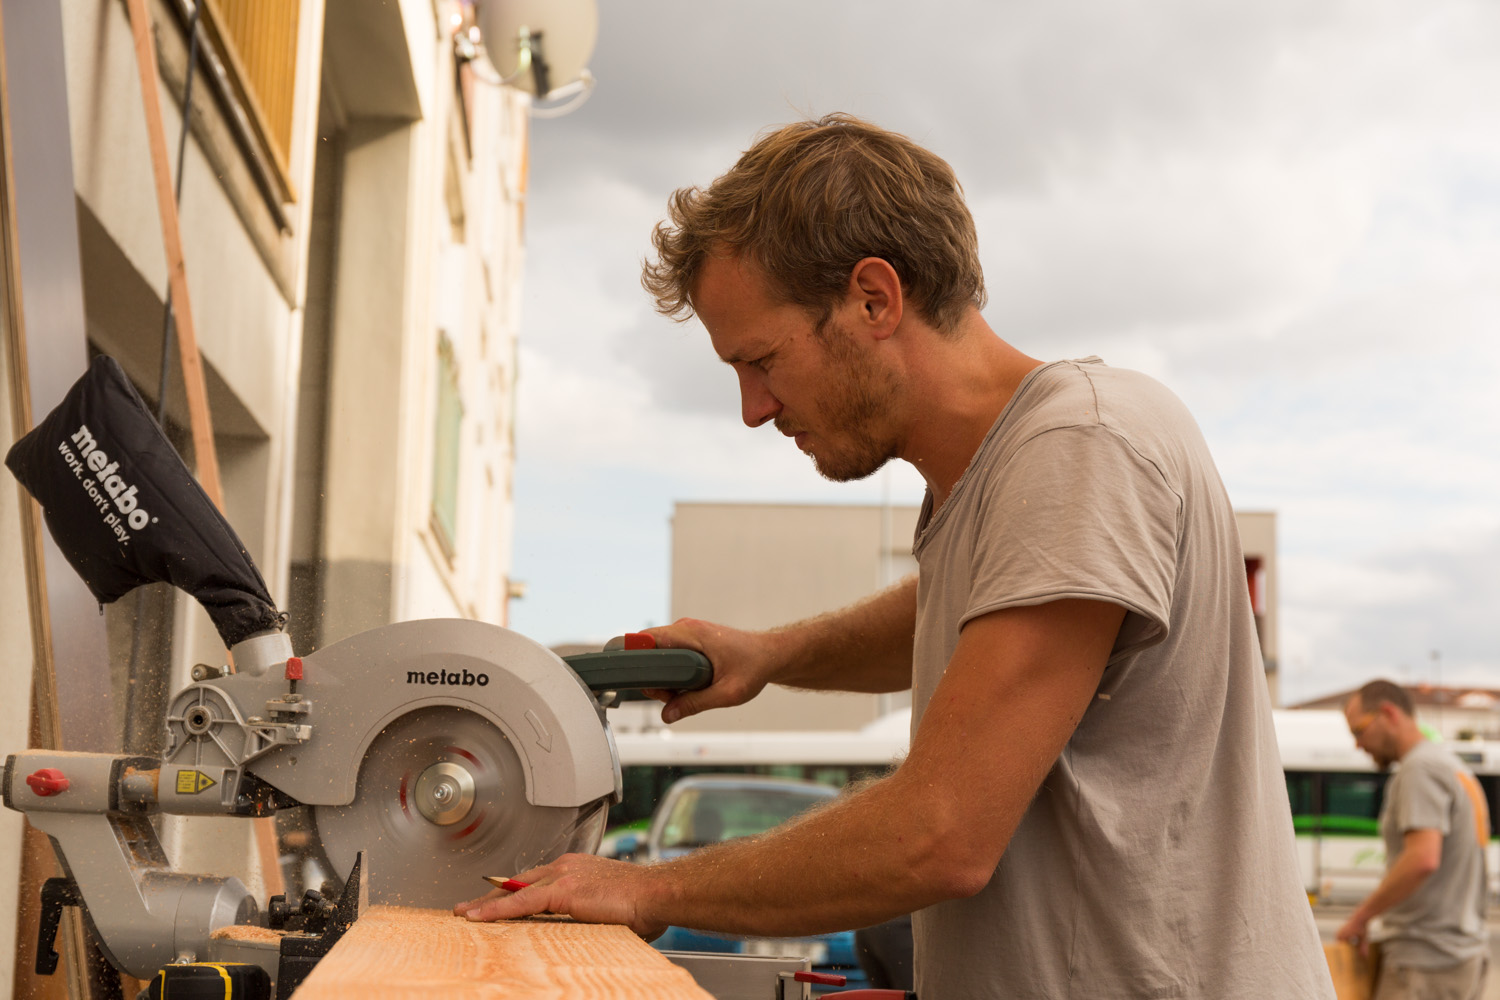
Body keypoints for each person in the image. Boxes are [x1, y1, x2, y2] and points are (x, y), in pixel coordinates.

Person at [455, 113, 1334, 998]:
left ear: (875, 298)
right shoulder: (998, 479)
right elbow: (956, 613)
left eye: (762, 360)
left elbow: (941, 833)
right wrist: (770, 655)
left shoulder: (1081, 446)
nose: (754, 409)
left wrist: (651, 888)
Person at [1337, 680, 1489, 999]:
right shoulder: (1452, 766)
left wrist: (1360, 918)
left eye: (1358, 731)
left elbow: (1423, 858)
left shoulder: (1419, 768)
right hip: (1460, 956)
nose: (1358, 745)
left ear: (1388, 713)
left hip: (1424, 962)